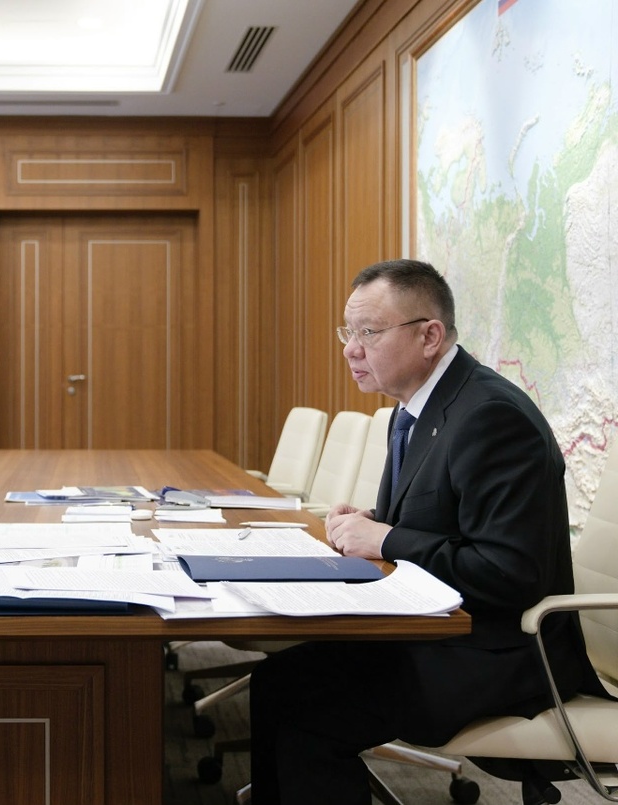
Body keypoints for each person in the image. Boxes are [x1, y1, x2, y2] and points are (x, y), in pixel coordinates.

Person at [249, 258, 606, 804]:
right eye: (348, 333)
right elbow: (442, 515)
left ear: (429, 336)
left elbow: (510, 574)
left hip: (502, 651)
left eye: (369, 333)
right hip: (440, 627)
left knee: (308, 714)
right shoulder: (415, 408)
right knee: (276, 681)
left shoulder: (492, 417)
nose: (350, 350)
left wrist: (385, 540)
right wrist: (372, 521)